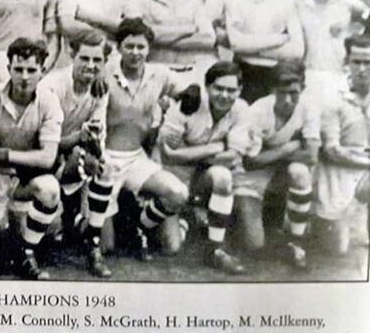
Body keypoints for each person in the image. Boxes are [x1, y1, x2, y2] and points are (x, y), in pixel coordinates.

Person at [89, 18, 195, 260]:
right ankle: (90, 216)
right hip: (105, 160)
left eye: (141, 47)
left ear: (149, 49)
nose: (135, 53)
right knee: (106, 247)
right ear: (118, 47)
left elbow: (185, 92)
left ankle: (139, 224)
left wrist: (189, 97)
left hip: (137, 158)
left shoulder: (159, 74)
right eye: (129, 46)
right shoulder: (104, 71)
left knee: (178, 193)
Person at [0, 38, 63, 280]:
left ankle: (26, 252)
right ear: (8, 70)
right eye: (18, 69)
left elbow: (47, 158)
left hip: (19, 183)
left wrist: (3, 154)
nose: (24, 76)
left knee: (49, 190)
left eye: (31, 70)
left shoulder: (48, 101)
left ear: (42, 72)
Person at [157, 61, 250, 274]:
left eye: (231, 90)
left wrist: (188, 154)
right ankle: (185, 218)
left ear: (240, 90)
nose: (224, 95)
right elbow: (166, 154)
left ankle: (214, 249)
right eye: (219, 88)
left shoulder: (241, 109)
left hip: (201, 174)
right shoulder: (188, 103)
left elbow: (233, 158)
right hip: (172, 177)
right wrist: (215, 147)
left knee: (223, 176)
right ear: (207, 87)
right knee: (171, 247)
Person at [231, 61, 319, 269]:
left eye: (294, 93)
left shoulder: (309, 107)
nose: (288, 100)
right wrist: (288, 148)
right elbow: (250, 162)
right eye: (282, 93)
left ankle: (296, 243)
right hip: (252, 175)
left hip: (277, 168)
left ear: (302, 89)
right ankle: (240, 217)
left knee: (300, 172)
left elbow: (311, 156)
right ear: (272, 91)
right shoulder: (257, 111)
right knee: (254, 245)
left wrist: (274, 157)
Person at [40, 30, 109, 276]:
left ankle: (94, 245)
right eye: (85, 59)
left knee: (104, 166)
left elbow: (98, 141)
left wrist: (92, 139)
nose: (91, 66)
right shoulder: (51, 86)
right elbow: (44, 141)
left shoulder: (100, 88)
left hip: (74, 154)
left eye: (97, 60)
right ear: (72, 54)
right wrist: (79, 138)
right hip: (43, 156)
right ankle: (67, 214)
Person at [313, 36, 370, 255]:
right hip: (338, 171)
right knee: (335, 250)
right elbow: (331, 151)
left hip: (365, 169)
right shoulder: (332, 97)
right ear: (346, 61)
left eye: (368, 62)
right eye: (357, 62)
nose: (363, 69)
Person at [289, 0, 370, 106]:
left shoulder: (346, 1)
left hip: (338, 74)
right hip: (306, 73)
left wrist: (353, 32)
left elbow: (368, 17)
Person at [225, 0, 304, 103]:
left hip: (276, 73)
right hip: (245, 71)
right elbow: (236, 44)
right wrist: (281, 39)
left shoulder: (285, 1)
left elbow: (297, 51)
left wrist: (251, 48)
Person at [129, 0, 216, 83]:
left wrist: (164, 39)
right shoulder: (140, 3)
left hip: (190, 72)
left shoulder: (193, 3)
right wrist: (190, 29)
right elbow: (147, 36)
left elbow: (209, 38)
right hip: (155, 72)